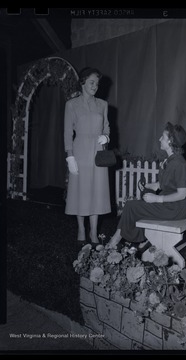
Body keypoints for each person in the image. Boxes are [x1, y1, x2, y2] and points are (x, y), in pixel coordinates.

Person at [107, 122, 186, 249]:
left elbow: (182, 194)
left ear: (170, 142)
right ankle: (142, 239)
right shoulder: (170, 160)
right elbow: (164, 184)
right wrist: (149, 185)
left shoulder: (179, 164)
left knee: (130, 206)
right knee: (142, 199)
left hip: (175, 208)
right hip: (169, 204)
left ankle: (115, 240)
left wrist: (157, 199)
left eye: (163, 137)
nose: (159, 139)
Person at [64, 67, 111, 244]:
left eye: (97, 83)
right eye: (92, 82)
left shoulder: (103, 105)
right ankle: (82, 229)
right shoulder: (71, 105)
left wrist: (105, 136)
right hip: (80, 150)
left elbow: (106, 127)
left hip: (98, 152)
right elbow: (67, 132)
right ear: (83, 82)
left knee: (96, 192)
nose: (95, 86)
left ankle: (93, 232)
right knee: (81, 192)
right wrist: (70, 156)